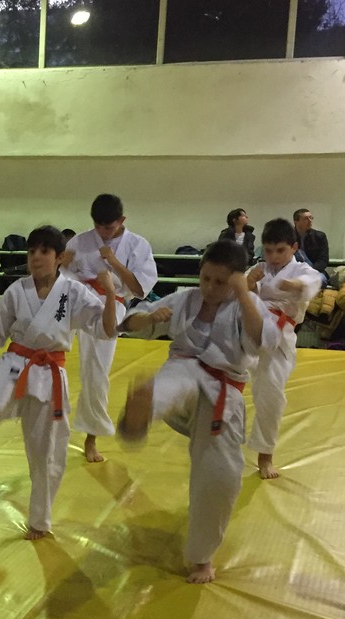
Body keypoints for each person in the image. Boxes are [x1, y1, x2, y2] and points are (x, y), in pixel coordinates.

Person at [0, 226, 118, 540]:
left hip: (50, 373)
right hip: (15, 363)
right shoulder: (16, 290)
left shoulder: (73, 292)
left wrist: (111, 294)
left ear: (59, 258)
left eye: (44, 251)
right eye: (32, 251)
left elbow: (104, 328)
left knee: (45, 448)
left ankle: (40, 520)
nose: (36, 257)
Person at [117, 239, 279, 583]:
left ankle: (201, 557)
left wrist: (243, 294)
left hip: (223, 389)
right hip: (184, 368)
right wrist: (148, 318)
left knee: (220, 474)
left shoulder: (247, 304)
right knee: (172, 382)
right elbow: (129, 322)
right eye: (205, 278)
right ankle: (140, 414)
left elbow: (264, 341)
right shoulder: (185, 298)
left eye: (221, 282)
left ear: (236, 279)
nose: (209, 287)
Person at [61, 192, 157, 463]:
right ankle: (48, 419)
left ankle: (91, 436)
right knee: (44, 351)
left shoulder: (137, 245)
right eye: (98, 226)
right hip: (77, 301)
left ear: (122, 220)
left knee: (96, 370)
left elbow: (139, 289)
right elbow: (63, 275)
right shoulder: (80, 241)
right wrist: (61, 264)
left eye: (109, 227)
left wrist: (114, 263)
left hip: (111, 305)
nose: (103, 232)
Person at [246, 218, 324, 479]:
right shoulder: (258, 269)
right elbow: (238, 294)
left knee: (271, 394)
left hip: (279, 337)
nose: (274, 257)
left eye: (280, 250)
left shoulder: (302, 270)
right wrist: (249, 282)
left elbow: (313, 283)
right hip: (247, 330)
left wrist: (296, 285)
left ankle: (265, 455)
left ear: (294, 247)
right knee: (215, 369)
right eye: (268, 251)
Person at [292, 208, 330, 274]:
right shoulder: (288, 237)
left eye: (311, 218)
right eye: (305, 219)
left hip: (316, 271)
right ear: (296, 222)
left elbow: (323, 260)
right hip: (294, 271)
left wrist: (310, 270)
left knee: (320, 279)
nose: (310, 221)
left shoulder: (319, 236)